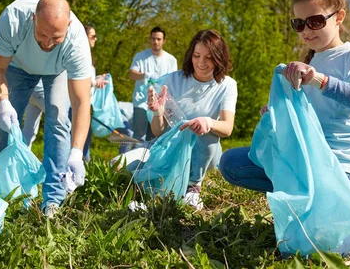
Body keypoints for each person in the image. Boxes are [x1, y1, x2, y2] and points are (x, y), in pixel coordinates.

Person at [218, 0, 350, 256]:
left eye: (314, 21)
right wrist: (276, 114)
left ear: (339, 17)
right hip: (307, 164)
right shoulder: (307, 63)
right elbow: (306, 121)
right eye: (298, 24)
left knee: (314, 243)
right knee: (231, 163)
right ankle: (309, 208)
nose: (306, 30)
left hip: (345, 166)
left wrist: (320, 80)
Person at [0, 0, 92, 217]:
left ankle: (53, 199)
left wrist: (76, 151)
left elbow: (81, 101)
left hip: (57, 71)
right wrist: (3, 103)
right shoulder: (13, 17)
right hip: (16, 66)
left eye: (56, 37)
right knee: (7, 125)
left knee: (58, 119)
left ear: (69, 25)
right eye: (42, 34)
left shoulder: (76, 42)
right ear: (33, 18)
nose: (47, 43)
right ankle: (7, 191)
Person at [119, 30, 237, 210]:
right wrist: (158, 112)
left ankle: (193, 187)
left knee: (206, 133)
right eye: (197, 56)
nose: (201, 63)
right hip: (171, 149)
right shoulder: (173, 80)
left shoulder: (227, 85)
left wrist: (208, 122)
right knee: (123, 169)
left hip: (205, 152)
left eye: (209, 57)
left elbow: (227, 127)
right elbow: (158, 131)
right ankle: (156, 193)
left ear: (219, 58)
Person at [126, 27, 177, 151]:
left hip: (161, 104)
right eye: (153, 39)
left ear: (163, 41)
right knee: (139, 136)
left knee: (156, 136)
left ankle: (149, 166)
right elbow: (131, 74)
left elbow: (174, 82)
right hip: (142, 102)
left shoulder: (171, 60)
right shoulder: (141, 57)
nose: (156, 42)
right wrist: (145, 75)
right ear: (150, 39)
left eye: (158, 39)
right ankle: (134, 166)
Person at [83, 25, 108, 161]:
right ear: (84, 37)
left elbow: (87, 79)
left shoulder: (88, 56)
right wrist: (95, 82)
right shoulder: (80, 55)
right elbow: (77, 80)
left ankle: (84, 173)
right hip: (78, 104)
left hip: (87, 104)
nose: (95, 39)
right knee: (80, 140)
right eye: (92, 36)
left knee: (86, 140)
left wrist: (97, 78)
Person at [22, 80, 45, 147]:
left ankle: (21, 155)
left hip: (30, 89)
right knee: (64, 123)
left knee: (28, 130)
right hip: (41, 90)